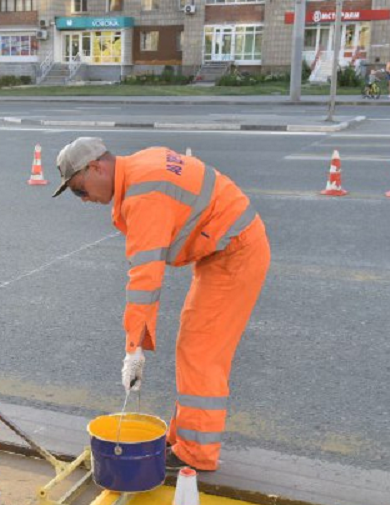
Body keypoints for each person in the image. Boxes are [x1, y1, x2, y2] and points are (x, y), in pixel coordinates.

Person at [52, 138, 270, 472]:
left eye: (79, 189)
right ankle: (185, 435)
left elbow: (145, 280)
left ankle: (197, 453)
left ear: (96, 167)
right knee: (194, 344)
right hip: (226, 247)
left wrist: (133, 350)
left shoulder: (143, 196)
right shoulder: (140, 165)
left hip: (236, 252)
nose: (82, 200)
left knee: (201, 350)